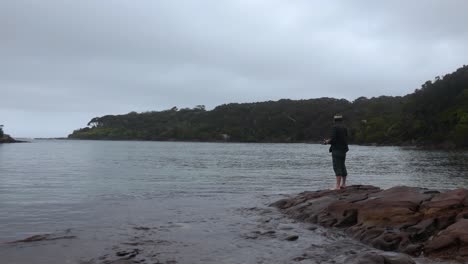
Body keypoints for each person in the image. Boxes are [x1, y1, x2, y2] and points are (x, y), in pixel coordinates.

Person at [324, 114, 349, 190]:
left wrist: (327, 142)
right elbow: (345, 138)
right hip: (344, 150)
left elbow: (334, 139)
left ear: (334, 120)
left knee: (337, 167)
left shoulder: (335, 127)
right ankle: (344, 184)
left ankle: (337, 186)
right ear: (341, 120)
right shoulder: (345, 128)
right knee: (342, 166)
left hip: (336, 150)